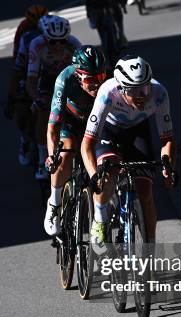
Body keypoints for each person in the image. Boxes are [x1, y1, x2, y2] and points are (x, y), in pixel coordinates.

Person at [80, 55, 177, 252]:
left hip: (138, 131)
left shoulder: (159, 93)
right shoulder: (107, 92)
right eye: (134, 91)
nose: (142, 96)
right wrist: (94, 176)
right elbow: (87, 144)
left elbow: (167, 139)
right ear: (121, 89)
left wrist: (169, 167)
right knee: (108, 175)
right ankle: (100, 219)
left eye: (144, 88)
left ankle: (149, 247)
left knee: (146, 191)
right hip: (109, 131)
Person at [43, 46, 107, 235]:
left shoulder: (109, 79)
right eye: (90, 80)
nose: (97, 84)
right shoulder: (65, 79)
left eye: (101, 78)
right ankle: (54, 203)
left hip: (94, 122)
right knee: (66, 153)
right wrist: (52, 156)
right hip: (69, 121)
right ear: (78, 76)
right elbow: (52, 127)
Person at [26, 15, 82, 180]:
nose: (58, 45)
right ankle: (43, 156)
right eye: (53, 42)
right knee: (44, 112)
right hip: (46, 81)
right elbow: (31, 80)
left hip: (68, 80)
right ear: (45, 38)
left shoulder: (74, 44)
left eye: (62, 41)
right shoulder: (36, 45)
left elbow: (83, 73)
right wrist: (37, 99)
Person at [5, 5, 49, 166]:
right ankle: (24, 139)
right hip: (28, 69)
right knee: (21, 107)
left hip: (47, 72)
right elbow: (17, 61)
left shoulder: (55, 35)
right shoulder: (24, 34)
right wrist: (12, 97)